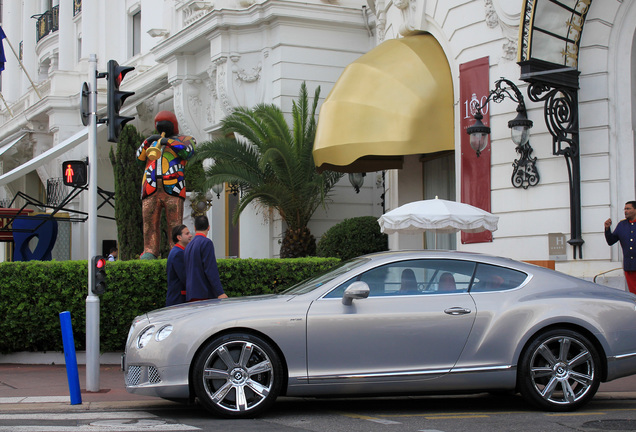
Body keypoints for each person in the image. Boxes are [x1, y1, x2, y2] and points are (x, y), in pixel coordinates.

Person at [136, 111, 195, 259]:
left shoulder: (185, 139)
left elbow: (188, 152)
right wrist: (148, 141)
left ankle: (175, 249)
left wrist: (166, 142)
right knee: (149, 222)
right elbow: (138, 158)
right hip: (150, 187)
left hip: (173, 187)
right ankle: (150, 250)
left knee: (175, 223)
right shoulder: (151, 142)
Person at [184, 215, 228, 301]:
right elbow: (210, 269)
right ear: (208, 227)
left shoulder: (188, 246)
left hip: (191, 293)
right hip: (203, 293)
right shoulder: (206, 243)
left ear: (195, 227)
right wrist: (220, 292)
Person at [605, 201, 636, 294]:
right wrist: (607, 229)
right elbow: (611, 241)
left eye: (628, 209)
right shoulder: (622, 225)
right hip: (630, 266)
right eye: (625, 209)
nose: (625, 211)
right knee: (633, 293)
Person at [166, 224, 193, 306]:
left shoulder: (177, 251)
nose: (190, 235)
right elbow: (185, 277)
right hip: (179, 299)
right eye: (187, 234)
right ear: (179, 237)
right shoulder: (178, 253)